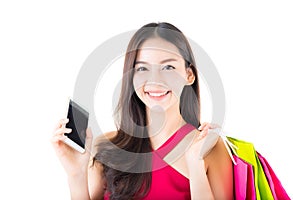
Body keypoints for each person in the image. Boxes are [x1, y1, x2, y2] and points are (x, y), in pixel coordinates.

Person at [52, 22, 233, 200]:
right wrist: (76, 175)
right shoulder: (106, 147)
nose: (155, 80)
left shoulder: (209, 148)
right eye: (142, 68)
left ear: (189, 75)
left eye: (168, 67)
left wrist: (196, 167)